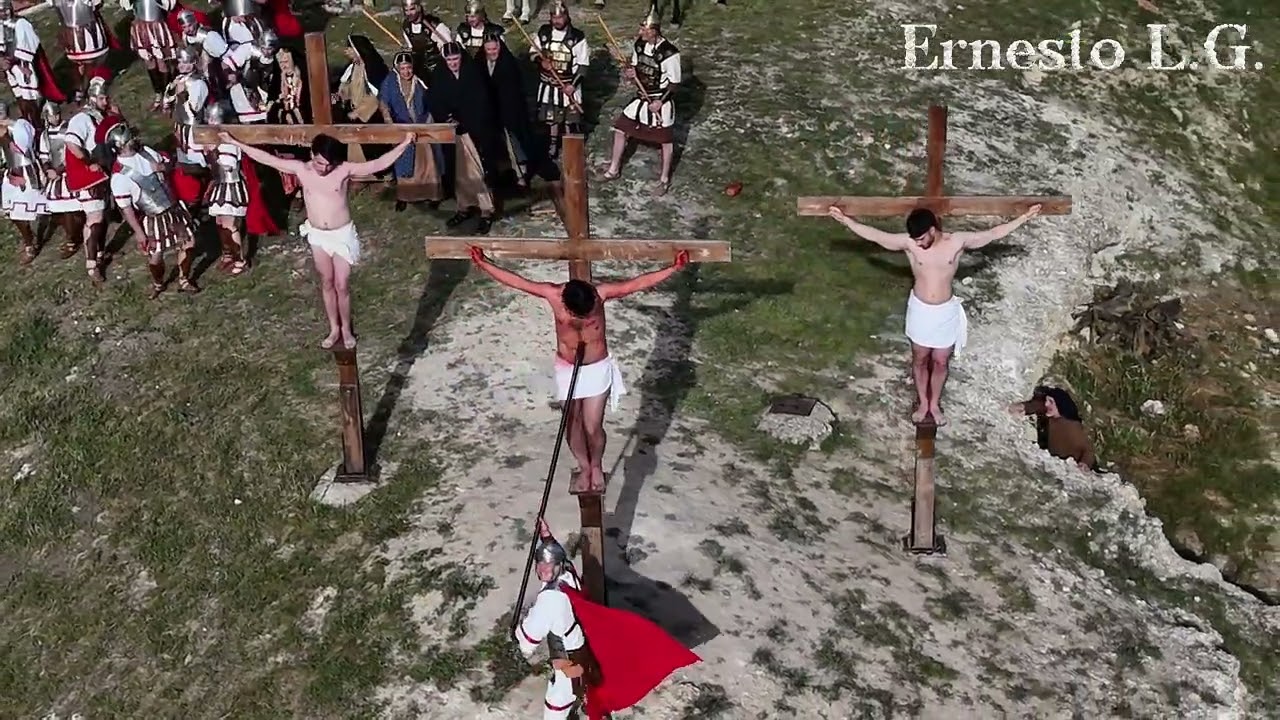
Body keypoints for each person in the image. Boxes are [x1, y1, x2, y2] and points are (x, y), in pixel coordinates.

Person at [469, 246, 690, 492]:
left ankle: (596, 464)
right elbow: (517, 281)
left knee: (592, 425)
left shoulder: (600, 294)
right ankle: (583, 466)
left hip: (596, 367)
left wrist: (674, 268)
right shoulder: (553, 294)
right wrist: (484, 263)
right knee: (571, 422)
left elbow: (635, 284)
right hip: (566, 366)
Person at [827, 204, 1042, 425]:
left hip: (944, 312)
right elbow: (877, 236)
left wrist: (1024, 218)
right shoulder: (910, 243)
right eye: (915, 240)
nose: (918, 243)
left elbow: (991, 234)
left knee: (940, 361)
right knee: (920, 359)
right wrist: (847, 221)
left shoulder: (956, 242)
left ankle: (934, 404)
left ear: (932, 230)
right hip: (920, 310)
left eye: (921, 238)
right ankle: (923, 403)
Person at [219, 130, 414, 349]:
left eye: (328, 164)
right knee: (327, 282)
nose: (324, 168)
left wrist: (405, 144)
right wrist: (235, 142)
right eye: (320, 163)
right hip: (318, 236)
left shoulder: (343, 170)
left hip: (342, 234)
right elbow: (267, 158)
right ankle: (334, 329)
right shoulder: (301, 169)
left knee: (342, 284)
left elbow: (377, 164)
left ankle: (347, 329)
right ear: (312, 154)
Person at [515, 517, 700, 720]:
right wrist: (546, 537)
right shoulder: (566, 575)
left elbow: (527, 642)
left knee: (561, 697)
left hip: (569, 656)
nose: (544, 570)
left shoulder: (550, 599)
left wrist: (517, 637)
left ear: (557, 567)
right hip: (581, 646)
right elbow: (559, 560)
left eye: (547, 566)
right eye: (541, 565)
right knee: (571, 692)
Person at [104, 116, 200, 297]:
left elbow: (170, 164)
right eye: (129, 139)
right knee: (156, 254)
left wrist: (163, 167)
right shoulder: (120, 177)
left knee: (189, 243)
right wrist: (139, 232)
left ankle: (184, 280)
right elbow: (127, 210)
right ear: (121, 144)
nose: (134, 140)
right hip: (154, 217)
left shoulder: (146, 152)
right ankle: (158, 283)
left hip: (173, 207)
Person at [603, 8, 681, 196]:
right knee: (621, 128)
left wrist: (660, 102)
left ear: (654, 31)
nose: (640, 33)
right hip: (642, 97)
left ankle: (663, 180)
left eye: (644, 30)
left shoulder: (670, 53)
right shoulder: (640, 45)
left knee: (665, 141)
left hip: (661, 99)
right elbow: (636, 68)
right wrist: (632, 73)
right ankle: (613, 169)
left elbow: (674, 84)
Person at [428, 42, 500, 234]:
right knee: (459, 173)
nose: (453, 63)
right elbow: (434, 100)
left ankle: (486, 210)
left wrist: (465, 119)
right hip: (453, 132)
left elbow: (482, 102)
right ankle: (464, 207)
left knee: (477, 172)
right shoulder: (440, 76)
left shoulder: (473, 74)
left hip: (473, 131)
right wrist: (447, 117)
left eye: (456, 59)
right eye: (449, 59)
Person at [202, 101, 276, 275]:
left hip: (231, 185)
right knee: (220, 223)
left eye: (213, 120)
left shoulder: (228, 142)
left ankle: (240, 260)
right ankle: (229, 254)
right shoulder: (215, 140)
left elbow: (227, 165)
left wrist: (212, 153)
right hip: (220, 185)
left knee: (230, 224)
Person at [481, 32, 559, 190]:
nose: (492, 52)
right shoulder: (480, 63)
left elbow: (513, 92)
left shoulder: (508, 64)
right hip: (490, 112)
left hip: (509, 111)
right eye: (489, 50)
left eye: (495, 49)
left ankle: (521, 175)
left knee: (516, 144)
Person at [63, 68, 113, 283]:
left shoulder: (98, 117)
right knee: (95, 219)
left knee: (102, 217)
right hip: (87, 177)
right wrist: (89, 163)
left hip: (100, 174)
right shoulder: (81, 119)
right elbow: (72, 143)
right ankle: (91, 264)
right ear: (93, 98)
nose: (105, 101)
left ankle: (100, 254)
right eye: (102, 98)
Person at [378, 51, 443, 212]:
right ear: (397, 69)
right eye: (403, 69)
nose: (406, 72)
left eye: (409, 68)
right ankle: (405, 196)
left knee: (427, 162)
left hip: (422, 124)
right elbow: (384, 103)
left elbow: (432, 100)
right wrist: (390, 123)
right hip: (402, 127)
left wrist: (428, 122)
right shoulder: (390, 82)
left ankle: (432, 195)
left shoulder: (420, 81)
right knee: (403, 163)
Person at [529, 1, 587, 160]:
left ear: (566, 17)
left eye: (560, 17)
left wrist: (572, 86)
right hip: (549, 84)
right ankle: (553, 144)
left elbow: (582, 65)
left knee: (570, 120)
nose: (557, 21)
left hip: (569, 84)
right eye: (554, 17)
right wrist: (540, 62)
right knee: (552, 119)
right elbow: (533, 52)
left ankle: (571, 148)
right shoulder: (543, 32)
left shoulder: (577, 37)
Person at [333, 34, 389, 180]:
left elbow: (376, 96)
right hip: (354, 113)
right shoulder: (353, 68)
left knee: (373, 147)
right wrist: (341, 95)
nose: (347, 52)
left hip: (370, 115)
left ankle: (382, 175)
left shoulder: (373, 68)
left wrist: (360, 112)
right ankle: (359, 176)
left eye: (350, 49)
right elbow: (347, 87)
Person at [1, 0, 68, 122]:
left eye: (6, 9)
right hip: (11, 68)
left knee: (29, 97)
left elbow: (28, 45)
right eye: (1, 11)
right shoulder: (1, 25)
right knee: (19, 94)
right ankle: (27, 118)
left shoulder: (21, 23)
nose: (4, 13)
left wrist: (12, 61)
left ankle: (36, 121)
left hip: (24, 65)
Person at [38, 100, 87, 261]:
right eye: (52, 116)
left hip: (70, 171)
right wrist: (48, 170)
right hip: (55, 175)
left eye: (57, 114)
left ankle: (76, 236)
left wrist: (59, 170)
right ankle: (72, 236)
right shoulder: (44, 135)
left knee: (75, 208)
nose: (55, 118)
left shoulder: (69, 129)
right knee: (60, 209)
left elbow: (71, 153)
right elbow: (44, 156)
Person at [1, 101, 49, 264]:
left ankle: (32, 243)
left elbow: (23, 152)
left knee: (43, 207)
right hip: (12, 173)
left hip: (27, 173)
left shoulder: (19, 127)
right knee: (14, 213)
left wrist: (6, 138)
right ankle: (29, 241)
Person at [1008, 386, 1098, 472]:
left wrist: (1084, 465)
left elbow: (1088, 451)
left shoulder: (1072, 426)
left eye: (1050, 401)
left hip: (1073, 468)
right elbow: (1037, 406)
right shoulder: (1051, 413)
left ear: (1060, 405)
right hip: (1054, 462)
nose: (1046, 404)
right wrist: (1022, 407)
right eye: (1046, 400)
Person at [122, 0, 178, 111]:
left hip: (157, 24)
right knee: (149, 61)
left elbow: (169, 5)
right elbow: (127, 6)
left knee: (161, 61)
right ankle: (158, 93)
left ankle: (167, 96)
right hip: (141, 26)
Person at [52, 0, 114, 100]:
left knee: (82, 63)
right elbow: (97, 4)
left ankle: (81, 90)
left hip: (72, 32)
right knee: (88, 63)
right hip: (84, 32)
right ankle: (83, 89)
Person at [400, 0, 451, 81]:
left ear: (418, 8)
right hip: (420, 70)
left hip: (438, 70)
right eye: (406, 10)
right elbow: (411, 47)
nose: (409, 13)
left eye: (412, 9)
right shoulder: (406, 26)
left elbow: (449, 50)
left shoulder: (435, 25)